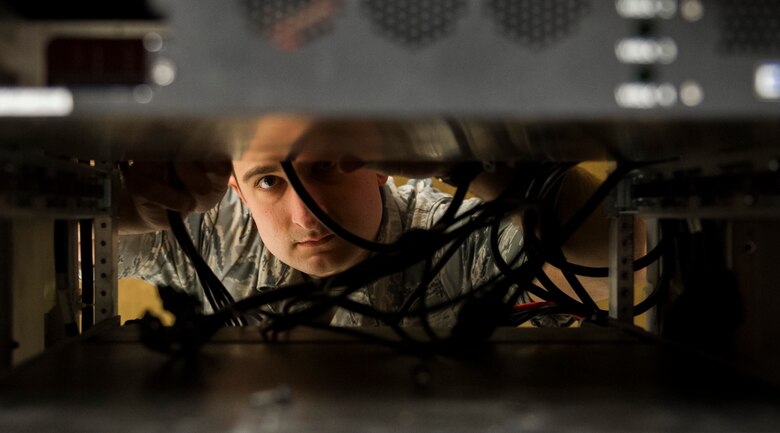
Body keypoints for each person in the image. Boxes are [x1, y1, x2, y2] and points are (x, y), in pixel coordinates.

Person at [118, 116, 625, 327]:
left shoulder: (449, 238)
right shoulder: (207, 232)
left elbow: (616, 256)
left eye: (325, 167)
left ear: (381, 165)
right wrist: (126, 211)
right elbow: (80, 254)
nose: (306, 215)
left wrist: (466, 161)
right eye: (268, 181)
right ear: (236, 187)